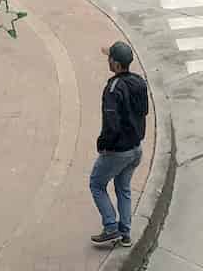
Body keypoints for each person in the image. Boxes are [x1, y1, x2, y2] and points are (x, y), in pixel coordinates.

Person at [88, 40, 149, 248]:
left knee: (96, 184)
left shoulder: (113, 88)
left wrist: (103, 145)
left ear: (115, 64)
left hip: (118, 150)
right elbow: (144, 113)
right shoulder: (139, 82)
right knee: (123, 187)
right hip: (136, 149)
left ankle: (110, 227)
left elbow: (111, 125)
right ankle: (125, 233)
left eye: (110, 58)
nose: (108, 60)